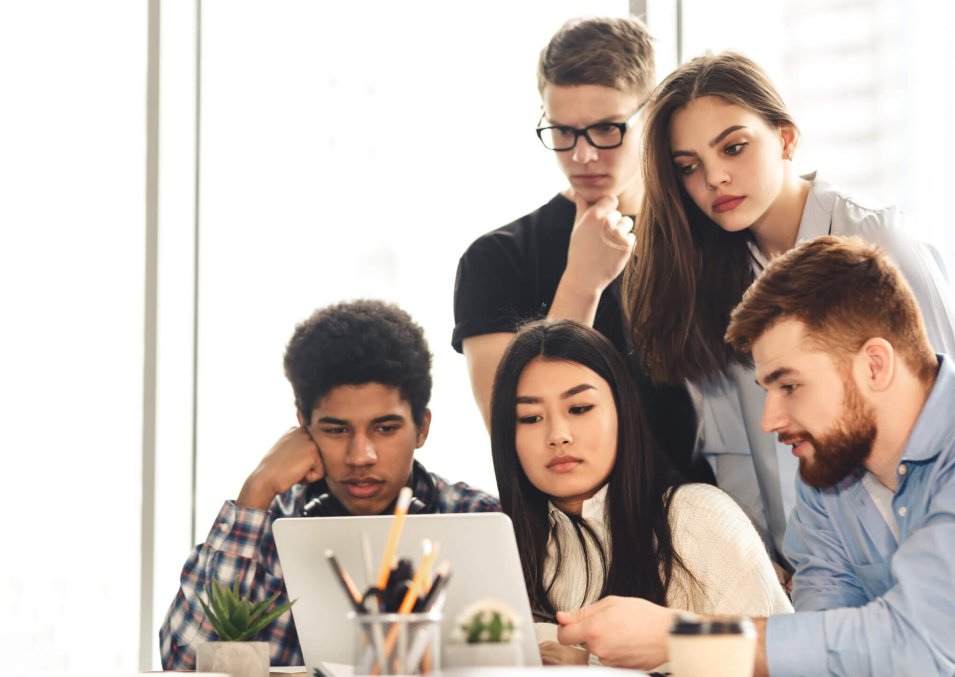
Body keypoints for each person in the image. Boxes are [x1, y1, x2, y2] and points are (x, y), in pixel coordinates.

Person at [558, 236, 955, 675]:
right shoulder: (827, 475)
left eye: (789, 386)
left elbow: (919, 641)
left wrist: (680, 637)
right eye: (767, 390)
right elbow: (822, 652)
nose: (770, 420)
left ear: (874, 366)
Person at [624, 51, 955, 567]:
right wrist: (765, 560)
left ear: (785, 138)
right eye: (689, 168)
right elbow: (731, 448)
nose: (714, 179)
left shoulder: (878, 239)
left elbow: (943, 414)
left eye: (733, 148)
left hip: (916, 558)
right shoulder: (708, 277)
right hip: (800, 573)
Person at [159, 300, 501, 670]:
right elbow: (182, 664)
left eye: (385, 429)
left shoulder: (478, 517)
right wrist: (256, 490)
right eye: (336, 430)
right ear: (303, 428)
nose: (360, 456)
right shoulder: (267, 524)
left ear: (422, 428)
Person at [453, 15, 707, 483]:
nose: (582, 155)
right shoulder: (495, 259)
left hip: (707, 524)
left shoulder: (708, 235)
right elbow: (509, 433)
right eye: (562, 132)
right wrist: (581, 284)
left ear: (652, 116)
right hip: (565, 536)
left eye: (607, 129)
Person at [489, 319, 791, 666]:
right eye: (530, 418)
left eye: (579, 409)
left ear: (623, 410)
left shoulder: (698, 518)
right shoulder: (501, 549)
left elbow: (776, 664)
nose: (558, 435)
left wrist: (589, 672)